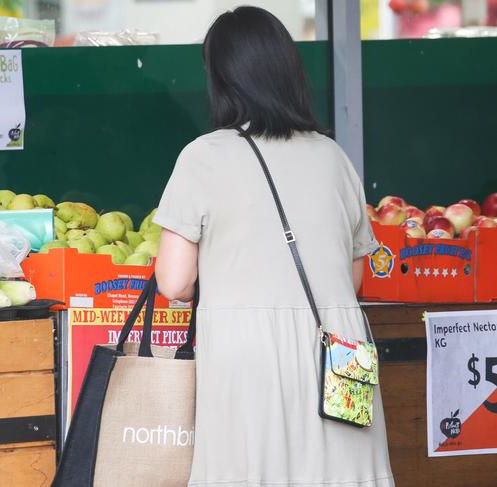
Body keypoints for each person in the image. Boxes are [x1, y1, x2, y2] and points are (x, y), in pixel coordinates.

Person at [153, 7, 394, 487]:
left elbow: (175, 282)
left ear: (221, 79)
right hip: (341, 355)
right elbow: (354, 281)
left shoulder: (204, 157)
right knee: (345, 475)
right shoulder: (335, 157)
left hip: (249, 358)